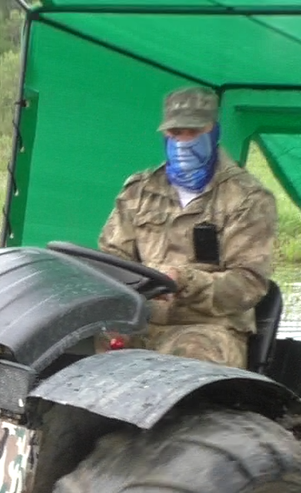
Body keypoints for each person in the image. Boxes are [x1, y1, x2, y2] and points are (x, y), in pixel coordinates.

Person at [98, 87, 278, 369]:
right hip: (141, 320)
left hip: (211, 329)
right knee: (78, 354)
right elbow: (111, 256)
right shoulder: (140, 190)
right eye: (175, 132)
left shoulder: (248, 198)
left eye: (192, 132)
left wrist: (183, 280)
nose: (182, 141)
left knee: (186, 360)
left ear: (213, 131)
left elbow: (249, 284)